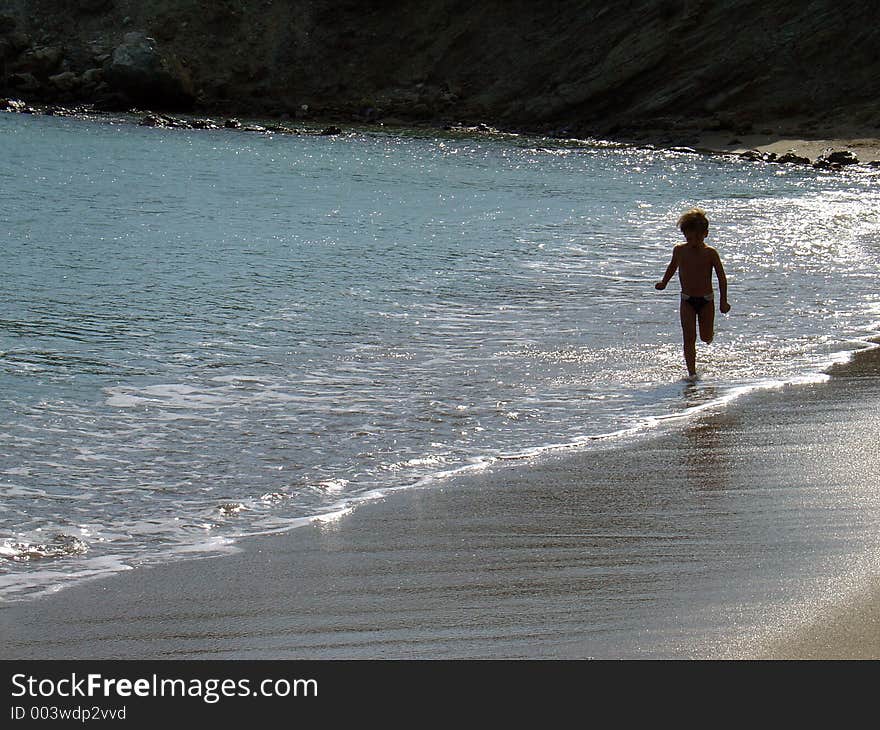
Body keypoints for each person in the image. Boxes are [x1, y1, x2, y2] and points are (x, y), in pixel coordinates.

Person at [655, 207, 730, 379]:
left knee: (705, 337)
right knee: (689, 338)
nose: (693, 241)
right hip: (686, 300)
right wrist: (664, 282)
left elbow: (721, 278)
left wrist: (723, 302)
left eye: (697, 237)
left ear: (706, 234)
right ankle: (692, 373)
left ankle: (710, 335)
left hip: (706, 301)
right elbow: (672, 267)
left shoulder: (710, 253)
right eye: (689, 238)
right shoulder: (680, 250)